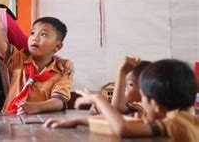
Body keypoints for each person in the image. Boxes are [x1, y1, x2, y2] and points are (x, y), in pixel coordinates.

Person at [0, 0, 74, 115]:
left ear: (57, 46)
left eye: (43, 34)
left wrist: (38, 107)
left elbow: (59, 101)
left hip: (41, 124)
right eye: (32, 33)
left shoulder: (62, 71)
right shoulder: (19, 59)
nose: (34, 38)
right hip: (10, 120)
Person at [70, 59, 199, 140]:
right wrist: (79, 121)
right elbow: (130, 122)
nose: (142, 101)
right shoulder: (184, 116)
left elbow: (124, 128)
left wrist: (97, 98)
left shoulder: (175, 123)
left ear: (156, 105)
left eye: (144, 97)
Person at [45, 56, 151, 127]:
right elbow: (112, 118)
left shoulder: (145, 108)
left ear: (147, 90)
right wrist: (101, 109)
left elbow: (117, 110)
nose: (123, 88)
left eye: (130, 84)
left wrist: (121, 72)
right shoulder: (132, 106)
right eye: (124, 84)